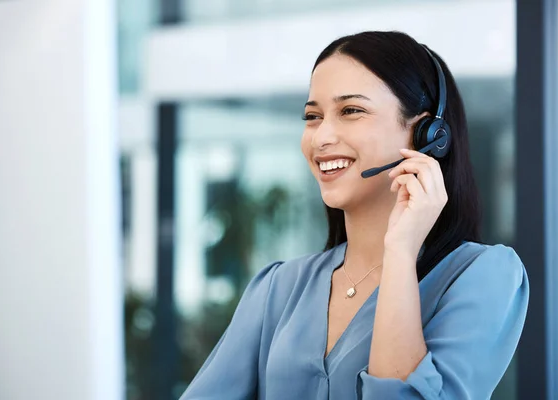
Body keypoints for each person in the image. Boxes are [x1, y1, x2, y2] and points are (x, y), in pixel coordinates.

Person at [179, 30, 529, 400]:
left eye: (351, 111)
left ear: (427, 133)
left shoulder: (486, 275)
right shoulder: (278, 288)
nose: (321, 137)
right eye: (312, 116)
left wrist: (400, 251)